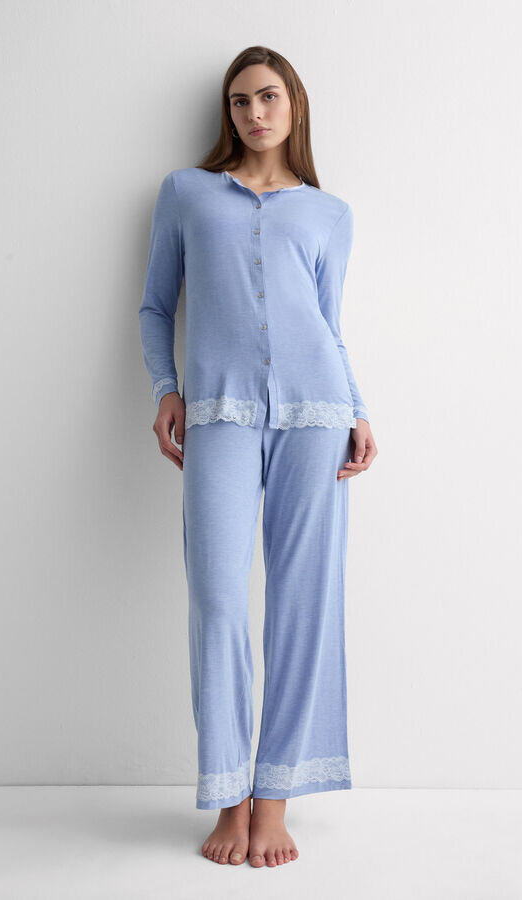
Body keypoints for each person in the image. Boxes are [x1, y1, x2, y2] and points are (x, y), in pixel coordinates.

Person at [138, 44, 378, 869]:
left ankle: (274, 799)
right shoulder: (185, 193)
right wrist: (166, 388)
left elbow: (328, 324)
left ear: (294, 105)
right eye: (240, 101)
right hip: (218, 413)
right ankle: (227, 796)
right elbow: (154, 306)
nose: (254, 113)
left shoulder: (329, 212)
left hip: (318, 413)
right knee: (218, 600)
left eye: (268, 97)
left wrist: (358, 410)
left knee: (304, 600)